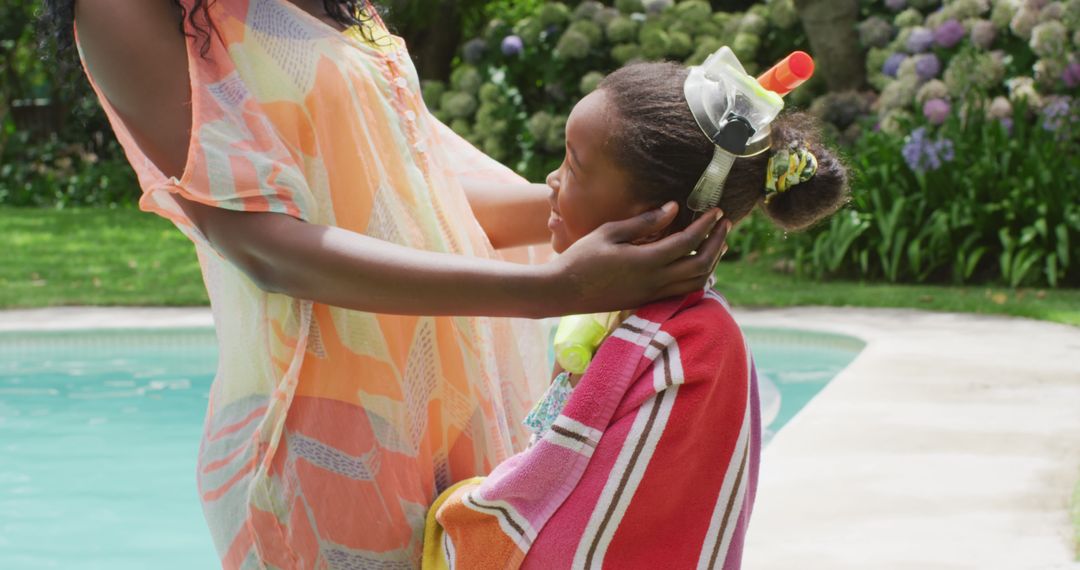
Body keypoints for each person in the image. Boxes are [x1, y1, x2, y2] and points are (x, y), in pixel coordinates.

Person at [47, 0, 730, 567]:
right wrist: (555, 288)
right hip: (320, 438)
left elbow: (410, 190)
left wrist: (634, 207)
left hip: (453, 405)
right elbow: (261, 243)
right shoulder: (125, 9)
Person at [423, 59, 849, 569]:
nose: (552, 180)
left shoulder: (692, 347)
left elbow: (595, 537)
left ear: (655, 217)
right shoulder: (611, 317)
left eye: (574, 166)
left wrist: (463, 515)